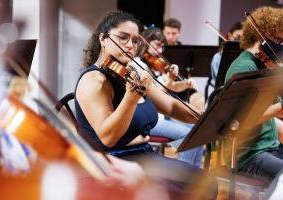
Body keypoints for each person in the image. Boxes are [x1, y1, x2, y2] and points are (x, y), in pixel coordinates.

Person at [75, 10, 217, 199]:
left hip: (145, 155)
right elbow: (108, 137)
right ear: (103, 38)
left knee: (206, 183)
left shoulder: (129, 73)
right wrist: (131, 98)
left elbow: (171, 107)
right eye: (123, 38)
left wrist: (207, 117)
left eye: (135, 41)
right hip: (115, 162)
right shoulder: (94, 81)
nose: (130, 46)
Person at [130, 27, 204, 168]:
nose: (161, 49)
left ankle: (196, 175)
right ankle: (184, 176)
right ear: (147, 42)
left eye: (162, 45)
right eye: (157, 44)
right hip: (150, 119)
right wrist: (169, 78)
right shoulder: (139, 64)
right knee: (189, 136)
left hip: (162, 116)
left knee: (199, 130)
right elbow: (153, 94)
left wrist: (185, 84)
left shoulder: (157, 65)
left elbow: (172, 87)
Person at [224, 6, 283, 181]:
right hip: (248, 155)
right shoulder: (244, 68)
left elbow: (273, 113)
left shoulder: (265, 64)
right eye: (278, 40)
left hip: (270, 147)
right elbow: (241, 120)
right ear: (262, 36)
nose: (281, 47)